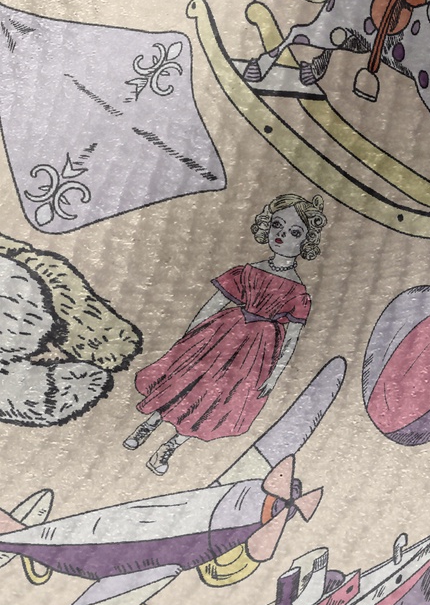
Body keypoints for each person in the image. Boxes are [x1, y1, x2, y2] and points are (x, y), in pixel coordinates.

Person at [123, 194, 326, 475]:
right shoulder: (247, 271)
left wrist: (275, 375)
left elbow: (292, 338)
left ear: (306, 241)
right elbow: (214, 304)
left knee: (219, 398)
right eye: (277, 225)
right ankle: (150, 424)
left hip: (256, 353)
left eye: (295, 232)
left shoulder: (299, 293)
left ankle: (169, 447)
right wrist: (189, 335)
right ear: (266, 225)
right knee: (187, 380)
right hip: (221, 335)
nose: (282, 235)